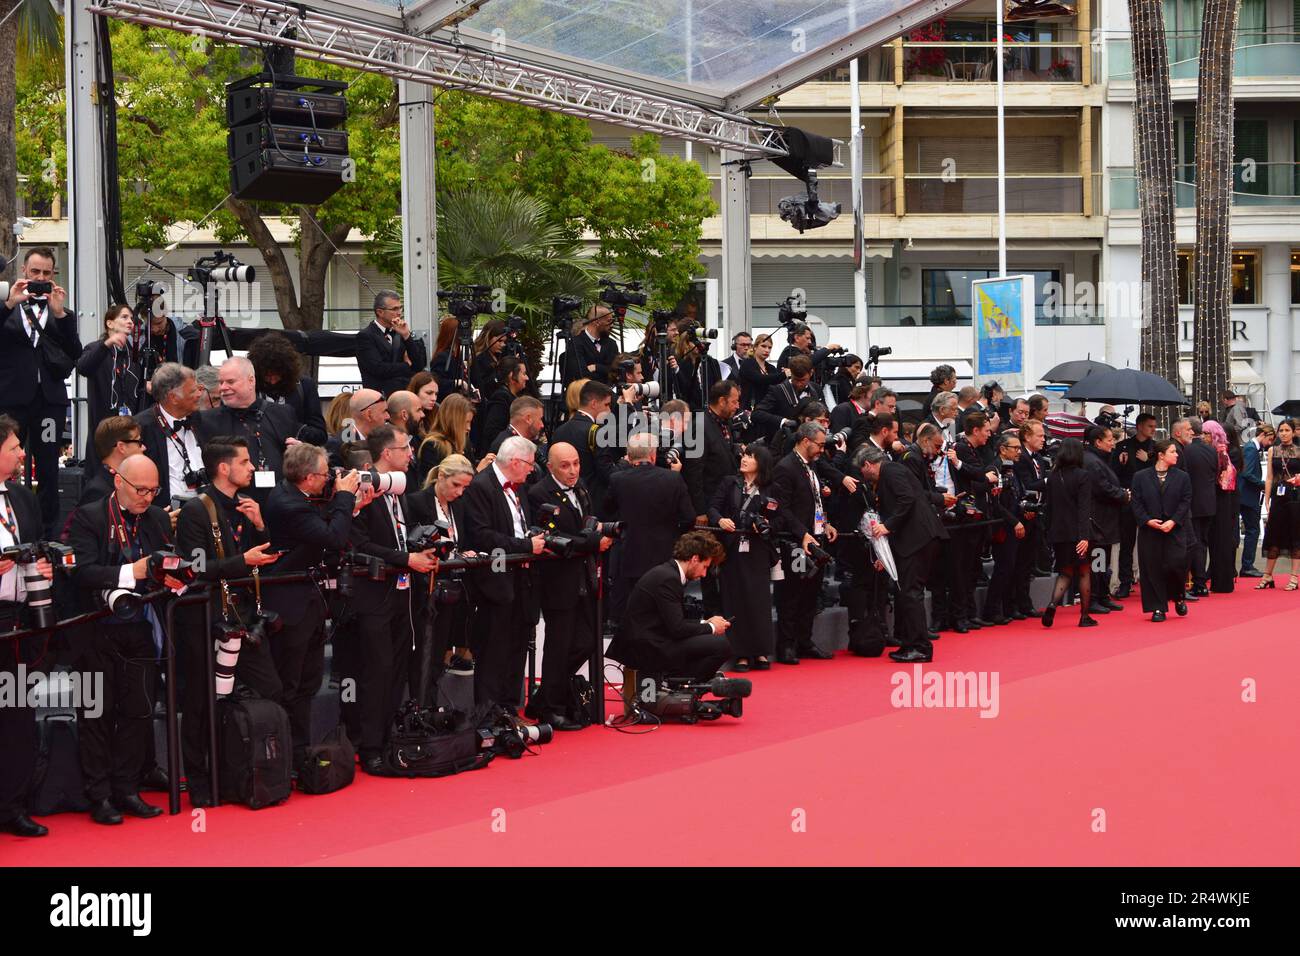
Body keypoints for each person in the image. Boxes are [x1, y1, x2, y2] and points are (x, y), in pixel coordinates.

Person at [68, 454, 183, 824]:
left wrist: (174, 576)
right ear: (117, 481)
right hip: (95, 629)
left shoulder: (158, 519)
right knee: (96, 717)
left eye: (154, 490)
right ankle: (99, 796)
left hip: (142, 628)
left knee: (138, 713)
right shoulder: (89, 516)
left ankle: (128, 789)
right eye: (140, 489)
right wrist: (128, 572)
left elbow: (168, 563)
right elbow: (82, 573)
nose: (147, 497)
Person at [173, 436, 282, 806]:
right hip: (204, 621)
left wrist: (262, 526)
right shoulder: (196, 511)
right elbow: (196, 569)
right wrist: (243, 561)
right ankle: (201, 780)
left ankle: (253, 766)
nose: (253, 468)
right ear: (224, 468)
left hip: (244, 617)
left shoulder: (247, 506)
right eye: (246, 461)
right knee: (201, 704)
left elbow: (267, 556)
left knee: (270, 687)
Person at [263, 443, 362, 768]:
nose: (329, 480)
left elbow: (327, 525)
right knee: (291, 685)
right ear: (307, 477)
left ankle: (300, 752)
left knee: (307, 683)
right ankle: (286, 757)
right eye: (325, 475)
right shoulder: (288, 504)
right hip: (291, 607)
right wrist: (346, 497)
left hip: (310, 603)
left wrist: (350, 505)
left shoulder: (296, 497)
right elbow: (332, 537)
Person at [347, 425, 439, 773]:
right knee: (377, 671)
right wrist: (405, 560)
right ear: (387, 453)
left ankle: (388, 739)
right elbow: (358, 544)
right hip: (373, 596)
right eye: (405, 448)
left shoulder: (400, 488)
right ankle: (369, 746)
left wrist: (417, 551)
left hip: (402, 594)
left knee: (398, 669)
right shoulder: (362, 487)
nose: (411, 454)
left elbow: (397, 536)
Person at [526, 442, 613, 729]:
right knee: (558, 646)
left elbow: (584, 525)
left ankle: (545, 699)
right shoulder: (539, 493)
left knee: (587, 641)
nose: (573, 470)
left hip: (583, 578)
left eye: (576, 463)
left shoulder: (581, 488)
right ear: (550, 467)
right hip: (557, 582)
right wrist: (592, 542)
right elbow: (554, 539)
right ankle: (550, 708)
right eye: (565, 465)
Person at [0, 247, 83, 535]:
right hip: (12, 401)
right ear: (24, 272)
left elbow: (76, 353)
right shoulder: (7, 308)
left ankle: (47, 533)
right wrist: (10, 303)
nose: (40, 278)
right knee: (6, 463)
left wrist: (60, 314)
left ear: (53, 276)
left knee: (48, 466)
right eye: (35, 272)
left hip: (49, 403)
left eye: (46, 273)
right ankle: (7, 525)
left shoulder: (62, 313)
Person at [0, 415, 56, 836]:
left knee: (17, 718)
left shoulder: (22, 496)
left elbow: (37, 546)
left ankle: (11, 806)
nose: (23, 452)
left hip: (17, 621)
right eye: (15, 446)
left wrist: (42, 567)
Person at [462, 435, 545, 708]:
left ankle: (510, 709)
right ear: (515, 462)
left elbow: (517, 525)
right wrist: (525, 545)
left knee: (517, 647)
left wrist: (531, 538)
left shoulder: (519, 487)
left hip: (522, 579)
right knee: (494, 650)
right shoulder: (480, 486)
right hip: (494, 583)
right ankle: (487, 714)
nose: (533, 470)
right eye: (529, 464)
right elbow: (481, 536)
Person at [856, 443, 948, 663]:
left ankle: (920, 647)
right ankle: (912, 643)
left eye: (863, 471)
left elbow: (907, 499)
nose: (865, 477)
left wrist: (888, 525)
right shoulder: (893, 471)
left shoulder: (891, 471)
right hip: (917, 539)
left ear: (867, 464)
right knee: (908, 592)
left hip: (917, 539)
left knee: (910, 593)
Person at [605, 530, 732, 683]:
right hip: (646, 648)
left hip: (653, 640)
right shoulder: (668, 578)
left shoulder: (668, 573)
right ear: (694, 559)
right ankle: (679, 685)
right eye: (705, 567)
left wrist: (705, 623)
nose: (704, 574)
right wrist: (711, 627)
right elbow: (677, 629)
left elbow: (673, 621)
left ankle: (679, 685)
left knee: (714, 640)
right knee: (721, 645)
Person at [606, 433, 696, 623]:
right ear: (654, 455)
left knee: (634, 613)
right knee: (664, 614)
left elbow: (607, 511)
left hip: (630, 554)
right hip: (665, 556)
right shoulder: (673, 479)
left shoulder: (617, 479)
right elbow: (689, 518)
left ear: (629, 457)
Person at [769, 422, 838, 663]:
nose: (822, 449)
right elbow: (783, 509)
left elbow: (816, 501)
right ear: (805, 440)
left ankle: (805, 640)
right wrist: (802, 533)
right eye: (819, 445)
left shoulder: (812, 466)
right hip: (796, 543)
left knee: (811, 593)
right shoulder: (785, 468)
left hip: (815, 539)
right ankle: (787, 645)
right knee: (791, 593)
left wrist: (825, 523)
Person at [407, 454, 477, 693]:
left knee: (440, 651)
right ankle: (419, 704)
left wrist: (466, 551)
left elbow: (463, 538)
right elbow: (412, 543)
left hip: (452, 590)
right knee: (424, 651)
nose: (459, 492)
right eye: (456, 485)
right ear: (440, 477)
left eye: (464, 487)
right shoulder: (416, 502)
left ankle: (432, 704)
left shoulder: (460, 505)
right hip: (424, 588)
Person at [708, 445, 779, 670]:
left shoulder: (771, 488)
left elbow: (780, 518)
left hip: (758, 549)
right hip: (731, 547)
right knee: (734, 598)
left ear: (762, 462)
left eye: (750, 456)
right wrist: (720, 521)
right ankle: (740, 653)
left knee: (759, 600)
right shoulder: (730, 482)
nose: (744, 459)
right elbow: (712, 508)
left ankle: (760, 651)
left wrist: (767, 525)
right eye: (745, 455)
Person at [193, 356, 298, 504]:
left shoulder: (283, 413)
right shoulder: (206, 420)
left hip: (280, 505)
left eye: (230, 382)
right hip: (233, 508)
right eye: (221, 382)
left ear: (251, 381)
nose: (223, 387)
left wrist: (299, 453)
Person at [1130, 440, 1193, 621]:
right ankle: (1157, 607)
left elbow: (1186, 501)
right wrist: (1147, 520)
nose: (1177, 455)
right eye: (1173, 451)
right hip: (1149, 530)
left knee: (1175, 565)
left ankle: (1178, 595)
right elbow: (1136, 502)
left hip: (1174, 529)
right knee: (1152, 568)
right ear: (1161, 455)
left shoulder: (1182, 477)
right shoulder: (1140, 477)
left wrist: (1173, 521)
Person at [76, 304, 144, 463]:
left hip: (129, 429)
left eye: (131, 319)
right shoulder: (95, 349)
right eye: (124, 317)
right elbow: (83, 367)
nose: (130, 322)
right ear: (110, 323)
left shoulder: (133, 354)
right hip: (103, 430)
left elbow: (139, 389)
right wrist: (107, 344)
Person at [949, 411, 998, 631]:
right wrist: (984, 478)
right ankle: (959, 615)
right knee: (961, 569)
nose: (989, 434)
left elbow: (982, 474)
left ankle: (968, 612)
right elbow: (976, 476)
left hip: (977, 517)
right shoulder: (960, 449)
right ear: (975, 430)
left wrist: (984, 477)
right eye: (986, 430)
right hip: (964, 518)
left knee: (970, 568)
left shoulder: (974, 450)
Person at [1041, 438, 1096, 628]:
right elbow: (1084, 508)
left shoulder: (1053, 476)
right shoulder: (1083, 475)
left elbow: (1049, 507)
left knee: (1065, 572)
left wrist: (1049, 532)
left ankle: (1051, 605)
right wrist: (1084, 536)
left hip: (1058, 532)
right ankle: (1085, 616)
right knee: (1083, 572)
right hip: (1077, 532)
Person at [134, 363, 204, 507]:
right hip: (164, 515)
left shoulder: (202, 420)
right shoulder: (141, 427)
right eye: (192, 392)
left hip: (203, 512)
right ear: (173, 398)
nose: (199, 394)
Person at [248, 331, 328, 444]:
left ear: (286, 371)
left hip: (295, 457)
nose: (272, 380)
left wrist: (291, 426)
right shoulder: (251, 389)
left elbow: (320, 435)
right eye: (267, 375)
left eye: (277, 375)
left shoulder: (304, 386)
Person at [551, 380, 617, 515]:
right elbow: (607, 473)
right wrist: (625, 463)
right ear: (594, 403)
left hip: (567, 504)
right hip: (595, 504)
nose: (609, 410)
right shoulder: (598, 432)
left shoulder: (559, 430)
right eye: (606, 404)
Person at [981, 432, 1028, 624]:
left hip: (1014, 522)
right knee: (1003, 568)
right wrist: (1014, 521)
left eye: (1019, 448)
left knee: (1011, 568)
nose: (1019, 452)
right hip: (1002, 526)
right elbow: (995, 503)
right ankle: (991, 611)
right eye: (1015, 448)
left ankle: (1008, 608)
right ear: (1002, 449)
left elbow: (1017, 494)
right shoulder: (995, 468)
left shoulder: (1012, 468)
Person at [1083, 424, 1129, 615]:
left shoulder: (1099, 459)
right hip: (1098, 521)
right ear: (1098, 442)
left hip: (1106, 520)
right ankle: (1094, 597)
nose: (1113, 443)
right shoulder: (1092, 462)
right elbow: (1102, 488)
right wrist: (1122, 494)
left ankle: (1102, 595)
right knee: (1098, 561)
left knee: (1104, 560)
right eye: (1110, 440)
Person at [684, 380, 742, 526]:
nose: (738, 406)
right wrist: (700, 511)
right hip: (708, 506)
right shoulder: (698, 427)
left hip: (724, 502)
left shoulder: (726, 421)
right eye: (734, 402)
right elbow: (693, 473)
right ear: (722, 401)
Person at [1111, 413, 1157, 597]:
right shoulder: (1123, 447)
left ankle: (1151, 581)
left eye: (1154, 426)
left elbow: (1163, 470)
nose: (1153, 430)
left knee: (1151, 543)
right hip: (1129, 499)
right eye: (1150, 426)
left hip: (1150, 501)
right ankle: (1125, 581)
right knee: (1127, 543)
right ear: (1139, 426)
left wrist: (1149, 460)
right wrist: (1120, 461)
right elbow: (1114, 472)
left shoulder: (1156, 447)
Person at [1172, 417, 1219, 598]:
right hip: (1209, 503)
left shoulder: (1185, 451)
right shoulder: (1211, 451)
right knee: (1202, 542)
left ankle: (1198, 582)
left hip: (1193, 504)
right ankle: (1199, 581)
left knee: (1193, 543)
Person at [356, 290, 427, 396]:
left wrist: (406, 335)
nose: (399, 312)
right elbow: (378, 369)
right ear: (380, 312)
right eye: (394, 309)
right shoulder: (365, 336)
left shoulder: (400, 332)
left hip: (404, 395)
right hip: (379, 397)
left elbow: (418, 366)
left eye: (400, 307)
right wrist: (406, 365)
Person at [1012, 419, 1049, 617]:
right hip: (1021, 515)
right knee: (1019, 562)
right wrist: (1046, 480)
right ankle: (1017, 604)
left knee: (1027, 562)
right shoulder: (1021, 458)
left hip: (1036, 514)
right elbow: (1027, 486)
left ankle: (1025, 603)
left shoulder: (1040, 459)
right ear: (1027, 437)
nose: (1044, 439)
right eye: (1039, 435)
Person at [1257, 419, 1300, 590]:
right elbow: (1268, 477)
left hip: (1296, 496)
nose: (1283, 433)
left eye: (1287, 430)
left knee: (1295, 534)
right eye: (1281, 430)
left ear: (1293, 432)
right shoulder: (1272, 450)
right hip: (1278, 495)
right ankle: (1267, 575)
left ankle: (1294, 577)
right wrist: (1267, 499)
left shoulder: (1299, 451)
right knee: (1273, 532)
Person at [1203, 420, 1241, 593]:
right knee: (1218, 540)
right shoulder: (1220, 452)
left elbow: (1226, 481)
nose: (1203, 437)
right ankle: (1220, 578)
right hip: (1221, 498)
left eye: (1206, 433)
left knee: (1221, 540)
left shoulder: (1222, 453)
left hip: (1222, 499)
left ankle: (1223, 580)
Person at [417, 393, 481, 481]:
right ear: (452, 421)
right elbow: (431, 483)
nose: (468, 428)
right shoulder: (432, 446)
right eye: (465, 422)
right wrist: (478, 471)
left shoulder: (465, 442)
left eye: (470, 422)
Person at [1238, 422, 1274, 577]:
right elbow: (1247, 473)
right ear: (1263, 435)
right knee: (1253, 530)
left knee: (1250, 530)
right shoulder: (1251, 450)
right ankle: (1247, 566)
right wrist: (1264, 485)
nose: (1270, 444)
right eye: (1270, 440)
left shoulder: (1250, 448)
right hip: (1248, 496)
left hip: (1246, 495)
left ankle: (1246, 565)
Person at [753, 354, 816, 440]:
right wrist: (783, 421)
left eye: (803, 380)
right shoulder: (777, 390)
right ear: (791, 373)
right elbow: (757, 413)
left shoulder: (816, 389)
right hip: (783, 443)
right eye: (796, 379)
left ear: (811, 373)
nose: (799, 384)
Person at [478, 356, 531, 445]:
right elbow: (492, 432)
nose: (527, 378)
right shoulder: (501, 397)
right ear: (512, 375)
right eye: (524, 374)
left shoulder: (509, 396)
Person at [563, 305, 618, 388]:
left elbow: (615, 371)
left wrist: (596, 367)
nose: (612, 325)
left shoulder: (611, 344)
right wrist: (605, 371)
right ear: (597, 322)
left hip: (607, 394)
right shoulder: (575, 343)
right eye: (609, 321)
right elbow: (580, 374)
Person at [737, 333, 784, 411]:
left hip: (768, 409)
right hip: (750, 410)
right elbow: (760, 379)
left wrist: (784, 375)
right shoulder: (747, 364)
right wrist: (783, 375)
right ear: (755, 347)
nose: (767, 350)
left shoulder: (771, 368)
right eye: (763, 346)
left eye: (769, 348)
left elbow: (777, 384)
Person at [406, 370, 440, 439]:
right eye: (429, 393)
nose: (434, 398)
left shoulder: (437, 411)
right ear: (415, 391)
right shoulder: (406, 414)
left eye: (436, 394)